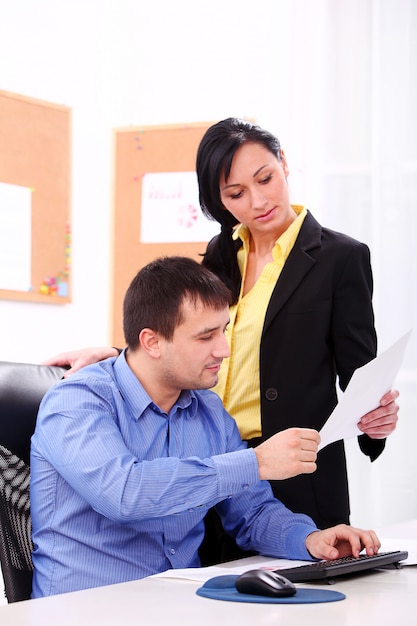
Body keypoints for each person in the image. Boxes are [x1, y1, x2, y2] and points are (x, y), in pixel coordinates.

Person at [43, 119, 399, 560]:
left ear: (284, 163)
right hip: (211, 447)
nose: (259, 200)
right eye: (236, 194)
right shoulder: (220, 252)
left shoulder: (339, 258)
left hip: (290, 467)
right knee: (205, 576)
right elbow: (187, 336)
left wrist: (373, 418)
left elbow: (359, 372)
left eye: (265, 178)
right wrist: (123, 354)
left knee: (297, 577)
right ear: (220, 201)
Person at [31, 256, 381, 597]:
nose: (224, 350)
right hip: (85, 609)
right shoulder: (76, 401)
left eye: (224, 331)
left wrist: (309, 540)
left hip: (181, 606)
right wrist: (255, 463)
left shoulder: (209, 411)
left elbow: (253, 512)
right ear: (152, 342)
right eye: (205, 337)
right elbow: (125, 493)